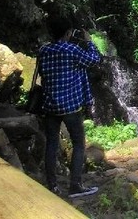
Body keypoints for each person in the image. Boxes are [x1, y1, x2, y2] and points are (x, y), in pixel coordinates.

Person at [38, 17, 101, 198]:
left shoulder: (44, 50)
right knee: (79, 144)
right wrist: (89, 42)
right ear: (68, 33)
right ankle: (75, 186)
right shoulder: (72, 50)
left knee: (51, 143)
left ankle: (52, 186)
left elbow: (43, 73)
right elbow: (94, 60)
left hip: (50, 106)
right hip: (71, 106)